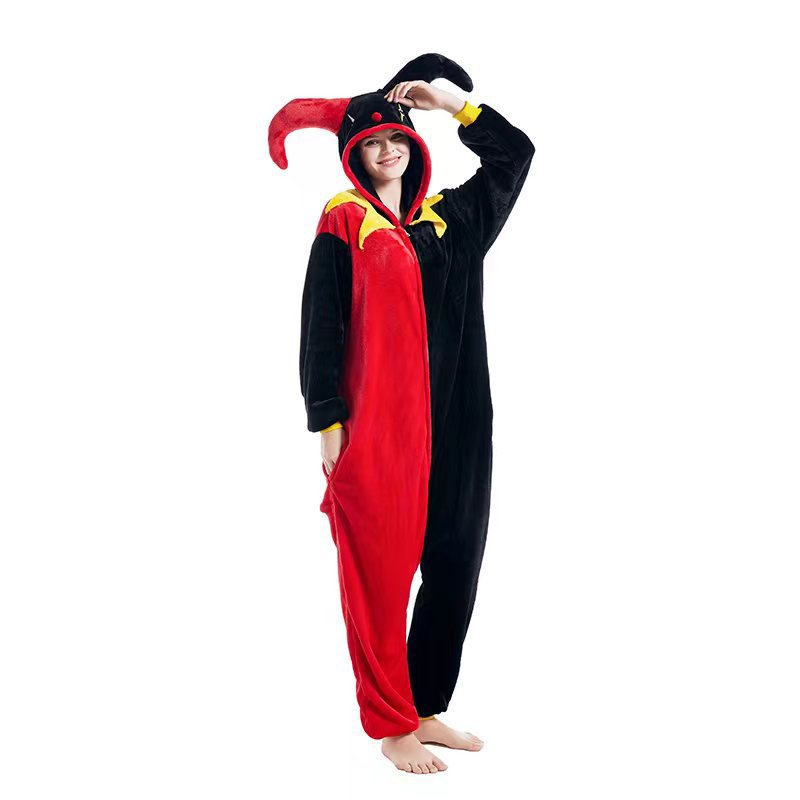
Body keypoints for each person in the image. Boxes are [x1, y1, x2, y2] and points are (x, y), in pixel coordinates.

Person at [268, 53, 535, 774]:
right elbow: (321, 326)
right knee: (380, 576)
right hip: (383, 428)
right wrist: (328, 421)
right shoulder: (345, 220)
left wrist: (452, 104)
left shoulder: (454, 218)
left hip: (460, 421)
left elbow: (516, 156)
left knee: (456, 561)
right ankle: (390, 725)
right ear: (353, 154)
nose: (387, 149)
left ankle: (422, 706)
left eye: (397, 136)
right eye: (372, 142)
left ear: (414, 142)